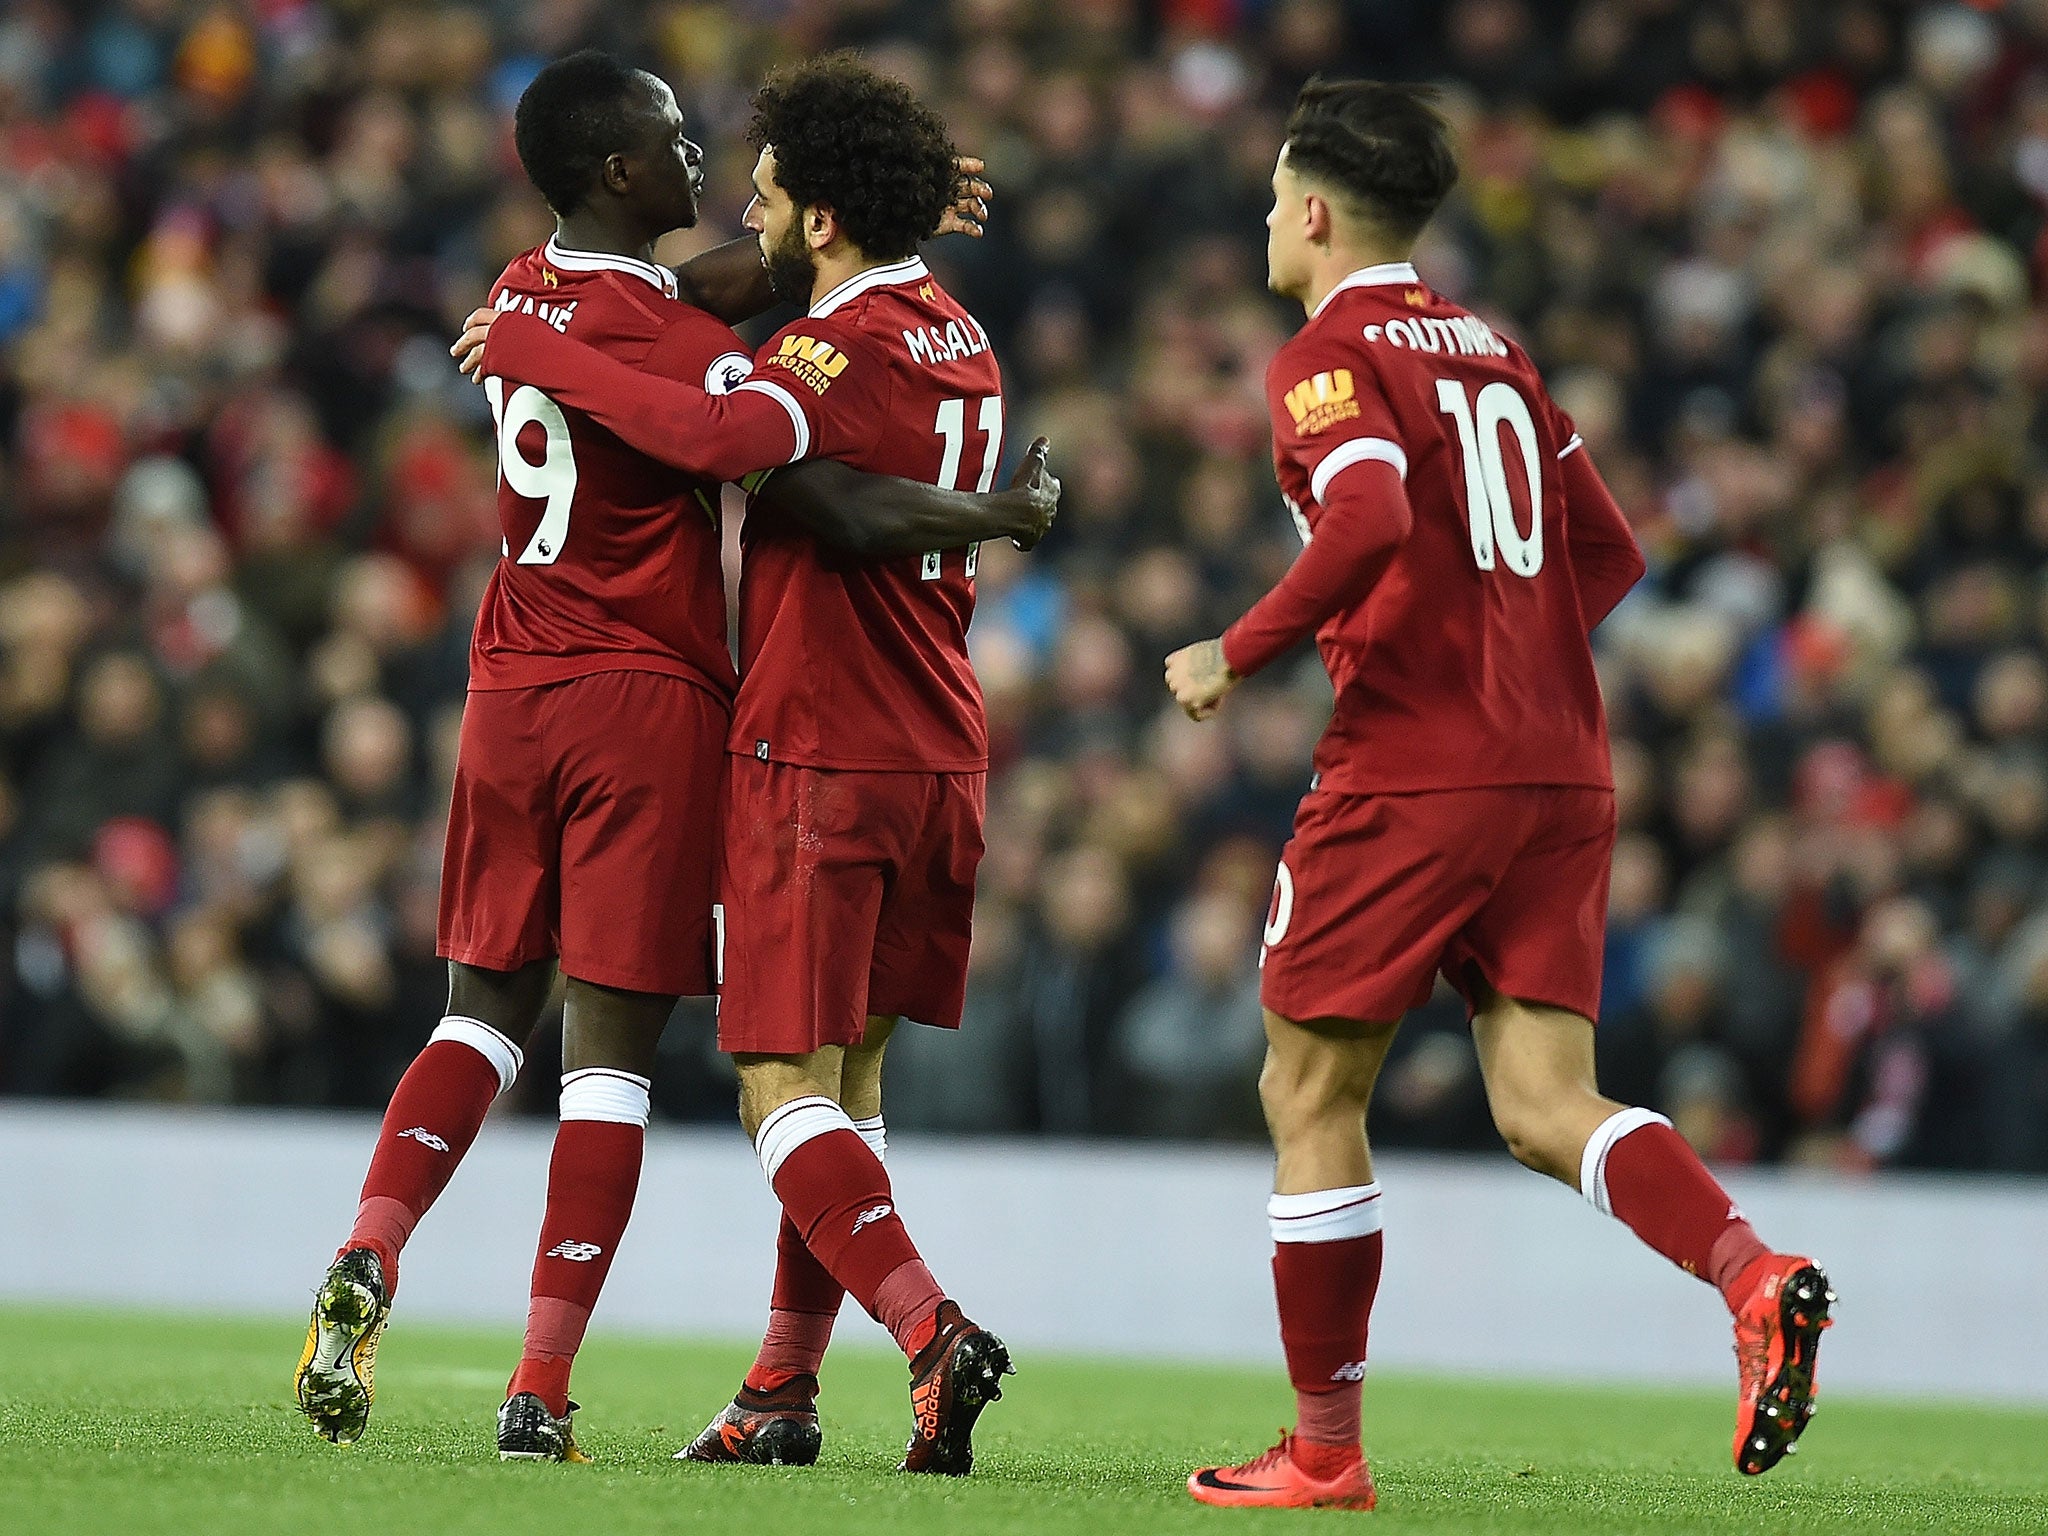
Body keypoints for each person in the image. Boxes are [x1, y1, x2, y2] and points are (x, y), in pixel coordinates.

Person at [294, 50, 1051, 1463]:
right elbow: (712, 369)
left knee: (514, 1025)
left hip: (563, 690)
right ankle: (612, 1388)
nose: (720, 186)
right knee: (709, 1076)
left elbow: (714, 349)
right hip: (812, 721)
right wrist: (996, 511)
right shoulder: (931, 341)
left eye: (762, 190)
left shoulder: (529, 293)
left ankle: (378, 1242)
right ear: (622, 173)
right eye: (686, 154)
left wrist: (545, 342)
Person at [1162, 79, 1833, 1511]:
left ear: (1320, 212)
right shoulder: (1496, 353)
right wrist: (1510, 661)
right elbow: (1611, 554)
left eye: (1279, 197)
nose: (1267, 218)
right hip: (1561, 763)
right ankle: (1752, 1273)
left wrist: (1241, 649)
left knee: (1306, 1080)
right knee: (1544, 1104)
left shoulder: (1327, 355)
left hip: (1418, 768)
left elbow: (1368, 514)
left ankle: (1324, 1452)